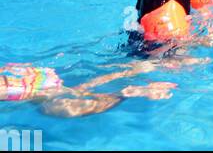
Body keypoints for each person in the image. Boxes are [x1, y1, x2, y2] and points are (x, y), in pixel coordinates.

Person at [1, 60, 175, 117]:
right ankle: (133, 69)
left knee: (60, 109)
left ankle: (127, 92)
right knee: (79, 89)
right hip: (33, 73)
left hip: (36, 88)